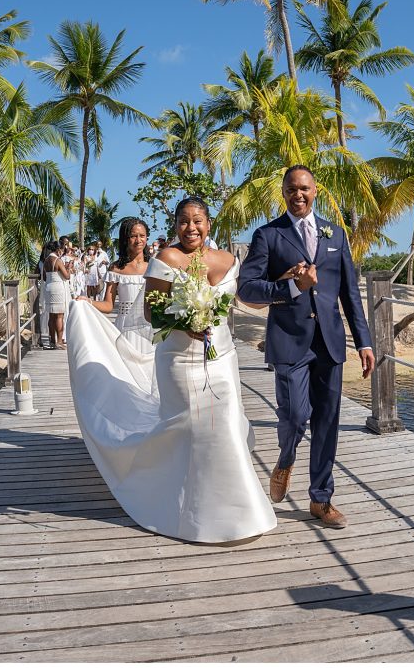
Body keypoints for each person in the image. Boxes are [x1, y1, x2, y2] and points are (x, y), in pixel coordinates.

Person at [67, 198, 277, 543]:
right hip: (179, 361)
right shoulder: (166, 259)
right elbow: (152, 314)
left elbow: (247, 300)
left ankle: (235, 511)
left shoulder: (228, 261)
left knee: (223, 425)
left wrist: (289, 287)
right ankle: (182, 505)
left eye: (197, 221)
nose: (190, 228)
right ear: (175, 225)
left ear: (209, 224)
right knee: (188, 429)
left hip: (222, 359)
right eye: (183, 222)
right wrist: (185, 321)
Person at [236, 165, 375, 528]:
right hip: (288, 341)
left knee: (328, 421)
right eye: (291, 189)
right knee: (296, 416)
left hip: (329, 342)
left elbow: (349, 295)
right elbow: (247, 289)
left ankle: (321, 499)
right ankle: (285, 457)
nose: (298, 195)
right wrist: (291, 287)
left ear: (315, 191)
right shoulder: (268, 235)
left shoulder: (336, 234)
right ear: (283, 193)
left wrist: (364, 341)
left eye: (305, 189)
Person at [75, 217, 154, 352]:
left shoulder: (154, 266)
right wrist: (88, 301)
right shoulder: (116, 268)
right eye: (133, 236)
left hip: (149, 328)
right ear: (125, 239)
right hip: (124, 329)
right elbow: (108, 305)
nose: (138, 240)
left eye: (142, 236)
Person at [43, 237, 72, 349]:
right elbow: (67, 276)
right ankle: (59, 342)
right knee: (59, 316)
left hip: (49, 287)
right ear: (58, 249)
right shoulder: (58, 260)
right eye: (62, 249)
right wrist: (68, 268)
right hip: (58, 288)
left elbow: (45, 277)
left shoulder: (46, 260)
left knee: (51, 315)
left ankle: (52, 341)